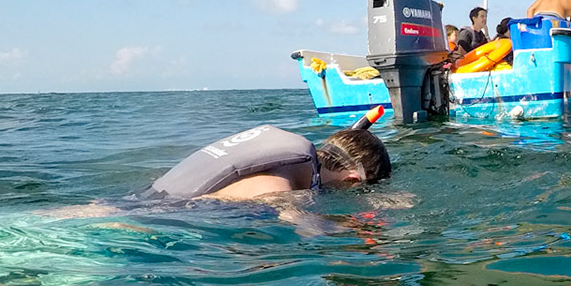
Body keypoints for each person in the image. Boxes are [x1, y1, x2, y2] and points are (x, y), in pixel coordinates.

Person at [148, 107, 391, 201]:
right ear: (351, 179)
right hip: (135, 229)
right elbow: (312, 237)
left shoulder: (287, 162)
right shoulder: (279, 190)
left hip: (135, 206)